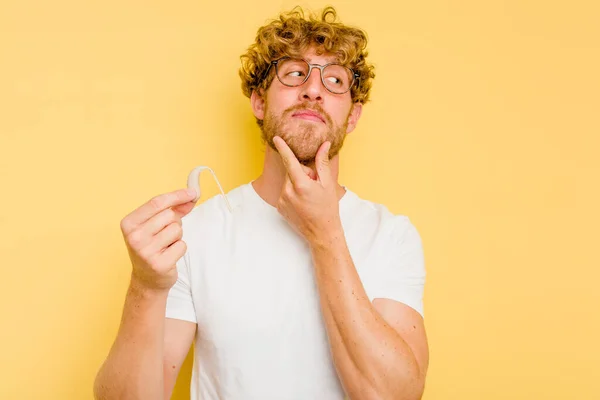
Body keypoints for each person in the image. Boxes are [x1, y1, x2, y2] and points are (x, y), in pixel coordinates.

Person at [94, 6, 429, 400]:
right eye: (293, 73)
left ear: (352, 117)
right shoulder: (195, 234)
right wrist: (146, 287)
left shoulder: (391, 235)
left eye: (335, 80)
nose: (313, 89)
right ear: (258, 101)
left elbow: (394, 396)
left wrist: (325, 234)